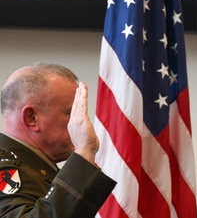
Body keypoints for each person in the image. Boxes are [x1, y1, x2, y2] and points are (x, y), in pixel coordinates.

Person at [0, 63, 116, 217]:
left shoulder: (36, 168)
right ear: (32, 118)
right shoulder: (6, 170)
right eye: (71, 113)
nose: (79, 123)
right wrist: (84, 151)